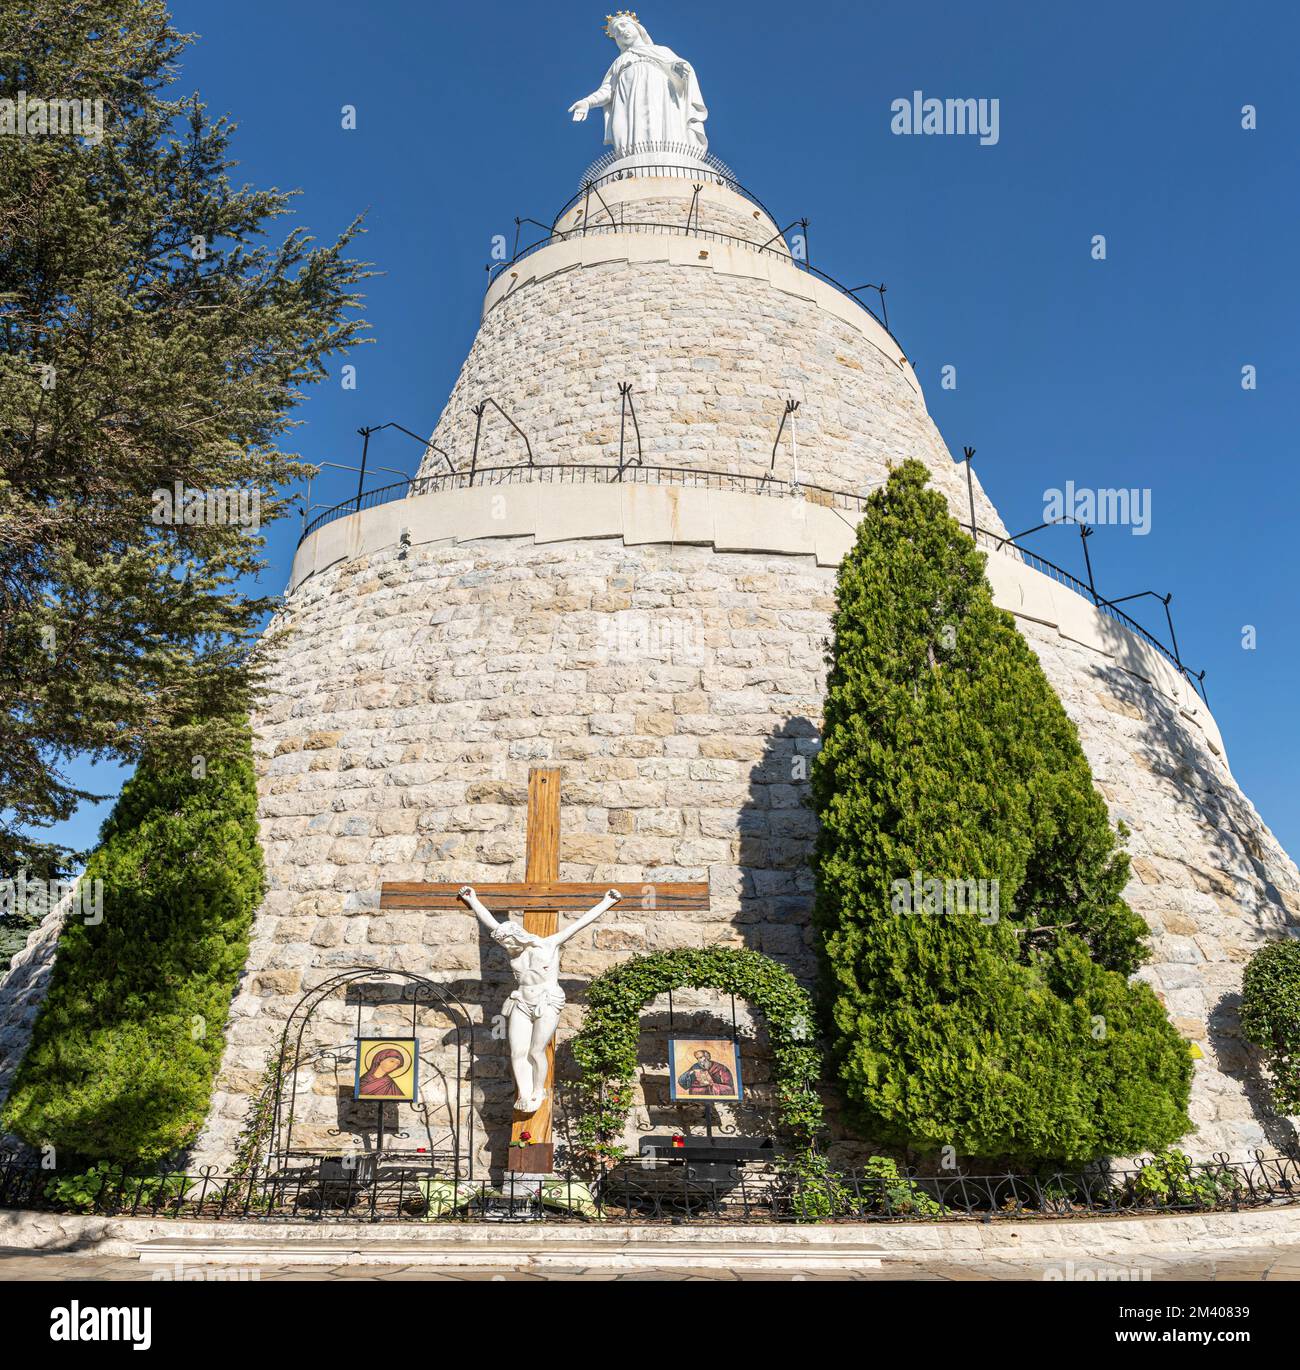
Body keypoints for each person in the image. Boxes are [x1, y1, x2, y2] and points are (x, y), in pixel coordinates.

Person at [569, 12, 708, 157]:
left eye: (623, 25)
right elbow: (608, 89)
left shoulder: (661, 51)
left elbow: (680, 69)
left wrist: (678, 69)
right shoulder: (620, 61)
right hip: (629, 103)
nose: (621, 31)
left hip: (659, 96)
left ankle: (666, 155)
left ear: (637, 27)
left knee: (659, 125)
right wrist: (587, 102)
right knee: (632, 134)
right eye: (616, 33)